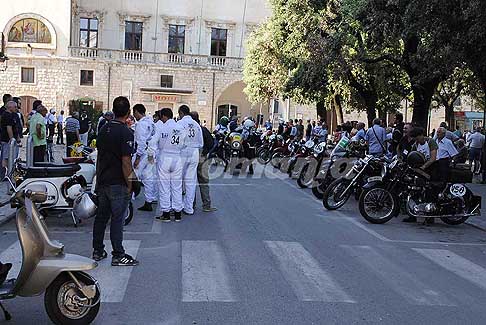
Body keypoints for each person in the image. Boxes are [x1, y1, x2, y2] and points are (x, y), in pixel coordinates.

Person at [92, 96, 139, 266]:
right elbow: (126, 161)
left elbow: (99, 158)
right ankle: (118, 254)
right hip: (117, 182)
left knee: (101, 218)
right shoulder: (126, 132)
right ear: (128, 112)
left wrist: (98, 180)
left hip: (103, 180)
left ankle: (98, 250)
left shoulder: (103, 129)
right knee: (117, 219)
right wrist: (130, 183)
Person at [148, 108, 186, 222]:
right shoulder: (181, 128)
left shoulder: (162, 128)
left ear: (164, 116)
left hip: (164, 158)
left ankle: (166, 213)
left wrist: (151, 159)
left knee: (164, 187)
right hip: (177, 158)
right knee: (177, 186)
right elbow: (185, 144)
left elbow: (152, 144)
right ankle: (178, 213)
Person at [404, 127, 438, 223]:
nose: (415, 140)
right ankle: (412, 214)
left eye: (416, 137)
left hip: (431, 169)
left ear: (421, 135)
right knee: (413, 189)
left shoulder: (431, 142)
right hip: (419, 170)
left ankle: (430, 216)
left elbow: (433, 158)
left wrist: (424, 167)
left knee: (429, 190)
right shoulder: (416, 144)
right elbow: (411, 156)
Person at [178, 105, 203, 215]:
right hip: (194, 152)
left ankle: (178, 206)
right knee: (191, 181)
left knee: (178, 180)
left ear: (181, 113)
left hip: (183, 152)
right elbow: (201, 142)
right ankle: (189, 208)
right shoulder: (196, 125)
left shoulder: (180, 124)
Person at [190, 111, 217, 212]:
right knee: (204, 182)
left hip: (190, 157)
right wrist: (205, 152)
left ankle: (190, 205)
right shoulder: (203, 129)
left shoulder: (188, 129)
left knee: (190, 182)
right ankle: (206, 205)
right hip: (202, 157)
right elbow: (211, 143)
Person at [132, 104, 157, 212]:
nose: (134, 115)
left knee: (132, 175)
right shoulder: (151, 122)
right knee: (148, 177)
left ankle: (128, 199)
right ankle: (149, 201)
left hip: (143, 153)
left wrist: (137, 157)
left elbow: (141, 142)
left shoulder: (141, 124)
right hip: (151, 152)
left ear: (137, 112)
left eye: (134, 113)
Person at [0, 101, 20, 169]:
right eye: (15, 107)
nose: (16, 108)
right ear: (10, 107)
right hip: (7, 140)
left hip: (7, 140)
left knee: (8, 156)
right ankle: (5, 173)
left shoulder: (10, 115)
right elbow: (9, 128)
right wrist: (12, 140)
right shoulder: (7, 115)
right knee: (6, 157)